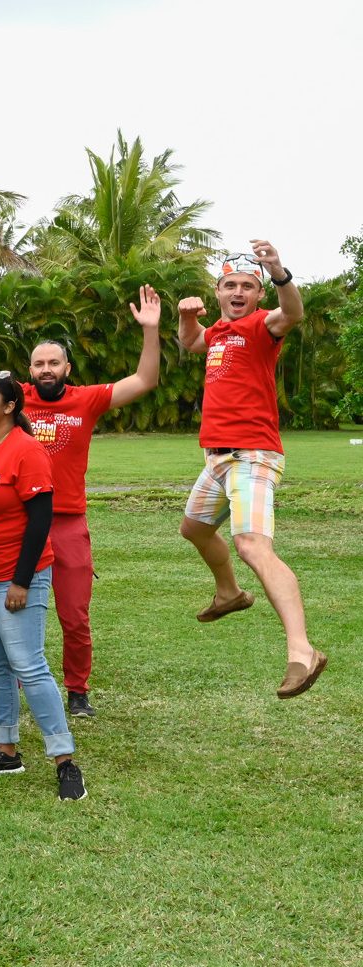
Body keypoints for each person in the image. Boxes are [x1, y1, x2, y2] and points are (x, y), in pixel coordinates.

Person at [175, 241, 325, 697]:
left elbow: (292, 313)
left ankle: (303, 651)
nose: (238, 291)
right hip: (218, 458)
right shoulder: (218, 332)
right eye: (230, 285)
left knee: (253, 546)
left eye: (247, 286)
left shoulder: (263, 325)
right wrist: (186, 315)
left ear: (258, 295)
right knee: (194, 529)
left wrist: (278, 272)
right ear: (217, 292)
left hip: (253, 454)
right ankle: (229, 594)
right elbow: (191, 341)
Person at [19, 284, 163, 717]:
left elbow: (145, 380)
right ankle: (18, 687)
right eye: (39, 363)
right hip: (21, 523)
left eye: (53, 363)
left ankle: (77, 691)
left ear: (67, 367)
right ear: (29, 370)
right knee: (16, 612)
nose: (46, 369)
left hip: (67, 523)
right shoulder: (15, 399)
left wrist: (151, 331)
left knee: (75, 616)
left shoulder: (86, 400)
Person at [0, 373, 87, 801]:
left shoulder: (27, 451)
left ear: (9, 406)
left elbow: (41, 521)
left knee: (28, 664)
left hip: (15, 576)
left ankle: (64, 759)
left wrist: (22, 581)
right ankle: (6, 750)